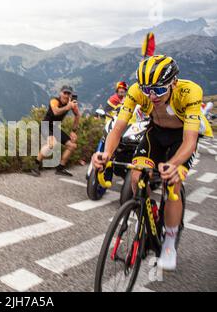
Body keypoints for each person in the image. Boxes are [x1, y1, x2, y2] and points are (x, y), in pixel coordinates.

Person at [92, 55, 213, 271]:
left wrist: (174, 164)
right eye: (147, 90)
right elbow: (118, 127)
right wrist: (106, 154)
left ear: (173, 83)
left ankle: (169, 241)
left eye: (158, 90)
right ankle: (145, 213)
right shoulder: (137, 91)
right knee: (137, 176)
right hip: (154, 133)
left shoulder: (190, 92)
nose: (152, 96)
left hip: (180, 137)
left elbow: (190, 140)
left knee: (172, 184)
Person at [30, 85, 80, 177]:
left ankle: (60, 168)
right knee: (52, 143)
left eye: (69, 93)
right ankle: (35, 166)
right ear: (60, 93)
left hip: (55, 128)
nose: (66, 95)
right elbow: (56, 112)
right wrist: (67, 107)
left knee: (72, 145)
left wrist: (73, 131)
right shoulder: (54, 101)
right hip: (45, 125)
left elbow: (77, 115)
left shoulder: (71, 103)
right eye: (65, 93)